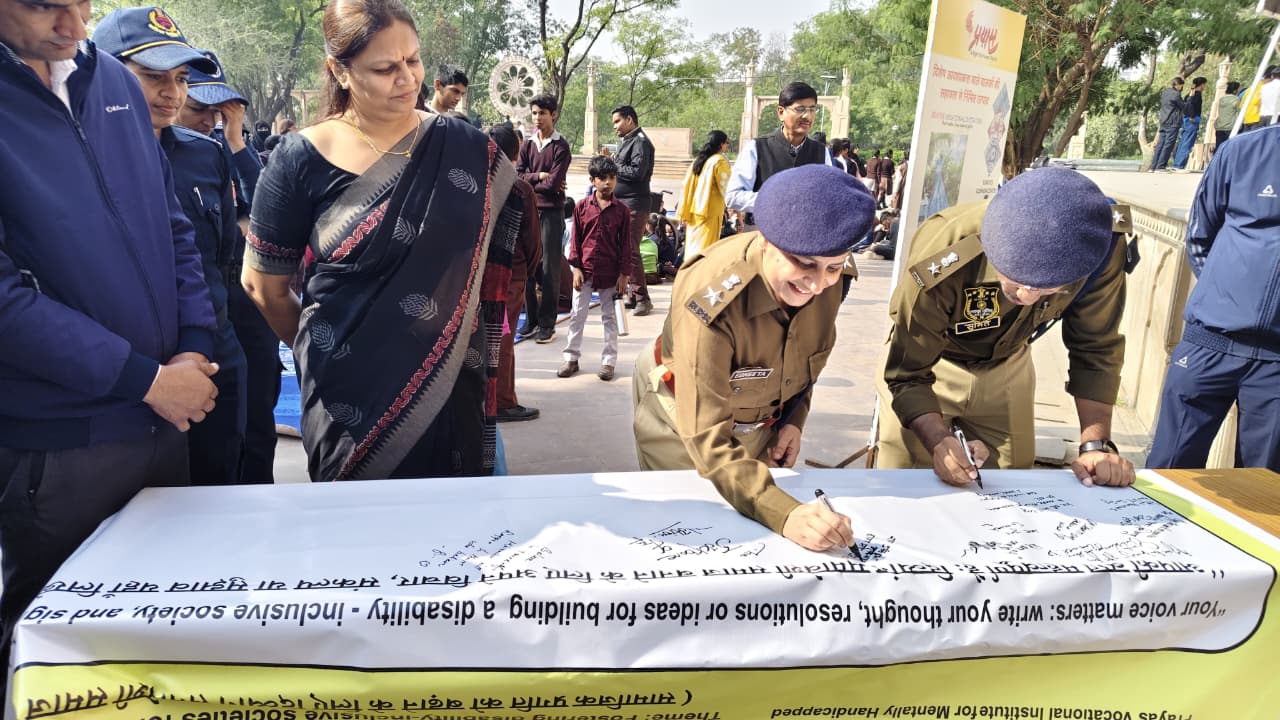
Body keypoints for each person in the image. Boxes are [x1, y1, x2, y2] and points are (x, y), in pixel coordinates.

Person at [0, 0, 218, 687]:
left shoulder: (116, 85)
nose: (72, 24)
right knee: (58, 659)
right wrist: (142, 378)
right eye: (43, 5)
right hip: (61, 445)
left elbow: (173, 228)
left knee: (156, 644)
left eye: (82, 2)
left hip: (164, 420)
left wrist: (190, 345)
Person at [242, 0, 521, 482]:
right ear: (340, 70)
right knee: (360, 541)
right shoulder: (299, 159)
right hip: (349, 404)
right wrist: (332, 349)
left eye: (413, 60)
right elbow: (262, 287)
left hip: (452, 385)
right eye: (385, 68)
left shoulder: (466, 148)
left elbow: (491, 260)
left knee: (460, 542)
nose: (407, 79)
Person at [632, 164, 876, 550]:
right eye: (804, 264)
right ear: (765, 243)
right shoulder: (711, 297)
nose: (816, 284)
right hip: (682, 413)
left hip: (761, 414)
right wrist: (785, 512)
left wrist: (793, 419)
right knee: (694, 533)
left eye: (832, 267)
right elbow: (707, 437)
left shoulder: (832, 276)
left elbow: (805, 355)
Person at [877, 168, 1135, 489]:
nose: (1026, 297)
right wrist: (938, 440)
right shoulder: (947, 248)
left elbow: (1096, 347)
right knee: (905, 483)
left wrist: (1095, 447)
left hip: (1009, 365)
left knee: (1013, 487)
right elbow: (907, 373)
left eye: (1046, 288)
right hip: (931, 362)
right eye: (1014, 281)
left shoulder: (1100, 244)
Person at [96, 9, 248, 486]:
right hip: (130, 373)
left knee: (220, 490)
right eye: (153, 78)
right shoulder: (80, 160)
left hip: (212, 354)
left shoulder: (206, 153)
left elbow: (221, 256)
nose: (173, 93)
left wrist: (203, 347)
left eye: (181, 79)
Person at [1146, 124, 1280, 472]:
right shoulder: (1243, 152)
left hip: (1276, 362)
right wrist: (1228, 297)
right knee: (1169, 469)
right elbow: (1199, 236)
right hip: (1210, 342)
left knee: (1263, 490)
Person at [179, 50, 282, 484]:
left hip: (244, 305)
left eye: (219, 112)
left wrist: (237, 141)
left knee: (256, 416)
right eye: (200, 109)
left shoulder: (227, 153)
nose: (210, 121)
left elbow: (268, 209)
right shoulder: (149, 158)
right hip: (195, 313)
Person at [558, 156, 632, 383]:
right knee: (577, 315)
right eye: (602, 178)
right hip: (585, 271)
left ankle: (609, 361)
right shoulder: (581, 208)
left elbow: (626, 244)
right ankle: (571, 357)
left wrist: (624, 274)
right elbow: (575, 241)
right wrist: (576, 268)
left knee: (610, 318)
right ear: (593, 180)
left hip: (610, 273)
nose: (608, 183)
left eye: (612, 178)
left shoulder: (622, 211)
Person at [488, 124, 542, 423]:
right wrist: (529, 272)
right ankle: (503, 401)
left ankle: (483, 397)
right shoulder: (521, 189)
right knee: (503, 342)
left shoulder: (476, 184)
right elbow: (533, 242)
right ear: (516, 151)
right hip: (510, 275)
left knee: (484, 338)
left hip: (481, 275)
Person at [726, 82, 834, 220]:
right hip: (763, 234)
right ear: (781, 112)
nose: (808, 116)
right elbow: (733, 196)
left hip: (806, 235)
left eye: (812, 109)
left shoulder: (820, 152)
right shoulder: (757, 148)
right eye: (800, 109)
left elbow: (829, 194)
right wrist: (778, 200)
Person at [516, 93, 572, 344]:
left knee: (549, 268)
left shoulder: (561, 147)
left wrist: (535, 180)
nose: (537, 118)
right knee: (526, 264)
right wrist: (539, 176)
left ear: (554, 115)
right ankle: (531, 319)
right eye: (534, 113)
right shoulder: (527, 144)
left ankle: (547, 323)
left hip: (551, 212)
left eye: (542, 113)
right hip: (528, 211)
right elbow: (518, 177)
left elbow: (554, 186)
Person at [611, 104, 656, 316]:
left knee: (631, 251)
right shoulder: (626, 142)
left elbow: (638, 172)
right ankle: (631, 293)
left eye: (618, 121)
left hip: (634, 203)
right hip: (621, 202)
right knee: (623, 250)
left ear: (630, 120)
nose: (615, 127)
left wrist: (613, 166)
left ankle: (642, 298)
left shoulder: (641, 142)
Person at [677, 130, 732, 262]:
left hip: (694, 213)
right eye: (727, 142)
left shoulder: (698, 162)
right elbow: (728, 189)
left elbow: (686, 186)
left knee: (693, 249)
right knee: (706, 251)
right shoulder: (719, 161)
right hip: (709, 213)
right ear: (721, 144)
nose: (728, 146)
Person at [1150, 77, 1186, 172]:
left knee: (1160, 144)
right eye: (1181, 85)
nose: (1181, 87)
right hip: (1172, 122)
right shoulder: (1176, 95)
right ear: (1177, 85)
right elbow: (1183, 106)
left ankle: (1153, 166)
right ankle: (1161, 166)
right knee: (1168, 144)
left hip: (1163, 121)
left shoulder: (1165, 93)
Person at [1172, 76, 1206, 171]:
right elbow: (1190, 104)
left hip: (1186, 120)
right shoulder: (1196, 94)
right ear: (1202, 84)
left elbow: (1185, 105)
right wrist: (1192, 116)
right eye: (1204, 84)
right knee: (1187, 143)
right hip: (1192, 120)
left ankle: (1177, 163)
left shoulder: (1189, 93)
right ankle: (1179, 165)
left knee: (1183, 142)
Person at [1213, 81, 1242, 148]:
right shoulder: (1236, 99)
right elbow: (1240, 112)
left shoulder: (1222, 99)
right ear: (1235, 91)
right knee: (1230, 147)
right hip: (1230, 127)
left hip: (1219, 127)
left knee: (1219, 147)